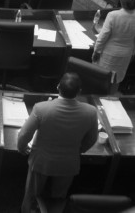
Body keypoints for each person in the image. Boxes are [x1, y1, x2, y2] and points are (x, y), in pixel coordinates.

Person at [18, 73, 98, 213]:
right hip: (68, 163)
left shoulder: (41, 108)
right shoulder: (91, 112)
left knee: (32, 195)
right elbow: (92, 139)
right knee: (59, 198)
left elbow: (24, 134)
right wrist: (79, 150)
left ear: (57, 87)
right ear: (79, 92)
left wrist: (22, 148)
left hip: (41, 161)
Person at [93, 0, 135, 92]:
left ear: (121, 1)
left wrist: (97, 51)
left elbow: (103, 36)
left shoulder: (113, 15)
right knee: (117, 79)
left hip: (108, 53)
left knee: (101, 77)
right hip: (126, 54)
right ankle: (111, 97)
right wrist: (132, 53)